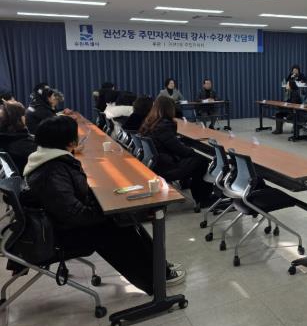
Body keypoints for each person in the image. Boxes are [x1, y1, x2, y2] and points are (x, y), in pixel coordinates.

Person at [23, 116, 185, 293]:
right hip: (62, 235)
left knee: (125, 219)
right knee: (118, 228)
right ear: (69, 142)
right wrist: (106, 210)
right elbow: (75, 215)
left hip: (64, 224)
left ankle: (160, 267)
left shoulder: (47, 160)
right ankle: (153, 280)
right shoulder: (52, 171)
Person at [140, 97, 213, 207]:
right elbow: (180, 150)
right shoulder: (163, 126)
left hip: (156, 165)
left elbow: (171, 145)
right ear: (169, 109)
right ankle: (202, 199)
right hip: (167, 168)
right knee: (202, 161)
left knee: (194, 159)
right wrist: (194, 152)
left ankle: (187, 184)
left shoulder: (151, 122)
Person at [0, 100, 36, 175]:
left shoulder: (5, 138)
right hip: (30, 178)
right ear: (20, 118)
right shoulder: (25, 144)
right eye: (24, 115)